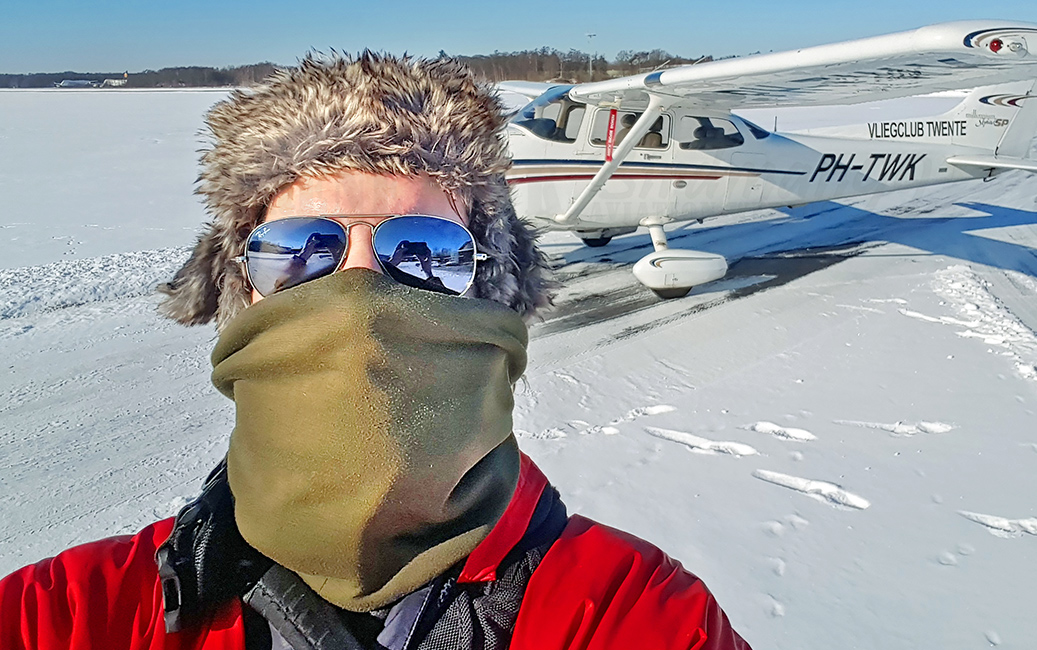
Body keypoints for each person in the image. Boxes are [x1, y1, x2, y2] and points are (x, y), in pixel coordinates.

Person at [0, 52, 750, 649]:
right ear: (242, 294)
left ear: (488, 293)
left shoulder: (634, 611)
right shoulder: (61, 615)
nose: (359, 282)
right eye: (299, 249)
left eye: (424, 250)